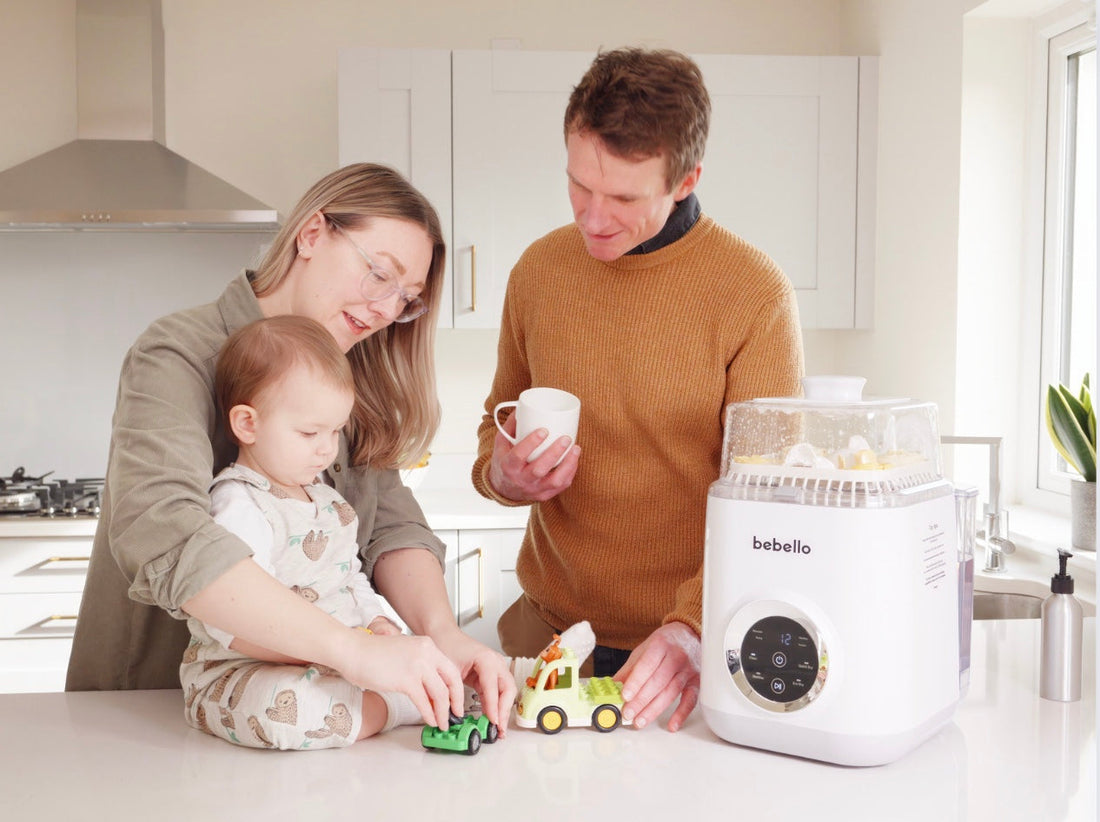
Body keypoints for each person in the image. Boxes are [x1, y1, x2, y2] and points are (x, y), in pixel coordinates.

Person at [68, 163, 515, 734]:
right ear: (311, 234)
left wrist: (443, 637)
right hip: (151, 715)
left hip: (313, 715)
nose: (385, 310)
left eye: (406, 298)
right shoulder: (178, 353)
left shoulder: (349, 381)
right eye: (380, 273)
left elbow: (393, 530)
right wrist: (350, 650)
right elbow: (166, 531)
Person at [473, 48, 804, 732]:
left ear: (686, 180)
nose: (592, 220)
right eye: (578, 187)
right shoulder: (539, 271)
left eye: (623, 198)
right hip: (549, 638)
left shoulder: (752, 292)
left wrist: (693, 626)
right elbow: (493, 427)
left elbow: (771, 506)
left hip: (690, 654)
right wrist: (504, 475)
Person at [181, 314, 422, 749]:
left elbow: (349, 579)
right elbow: (228, 618)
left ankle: (391, 699)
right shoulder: (240, 502)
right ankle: (394, 708)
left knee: (410, 661)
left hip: (337, 660)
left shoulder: (330, 503)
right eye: (310, 432)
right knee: (286, 705)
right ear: (248, 424)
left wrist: (378, 621)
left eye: (335, 431)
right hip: (245, 670)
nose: (327, 448)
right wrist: (334, 653)